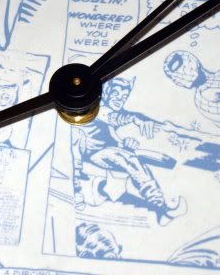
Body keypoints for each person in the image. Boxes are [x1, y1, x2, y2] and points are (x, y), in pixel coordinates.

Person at [71, 78, 186, 225]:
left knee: (154, 159)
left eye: (124, 96)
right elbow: (113, 118)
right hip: (94, 154)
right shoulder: (96, 108)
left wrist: (125, 142)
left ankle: (161, 208)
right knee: (128, 159)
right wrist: (133, 119)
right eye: (116, 94)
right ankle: (159, 205)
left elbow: (113, 133)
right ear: (106, 93)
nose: (120, 99)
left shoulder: (112, 111)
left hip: (109, 150)